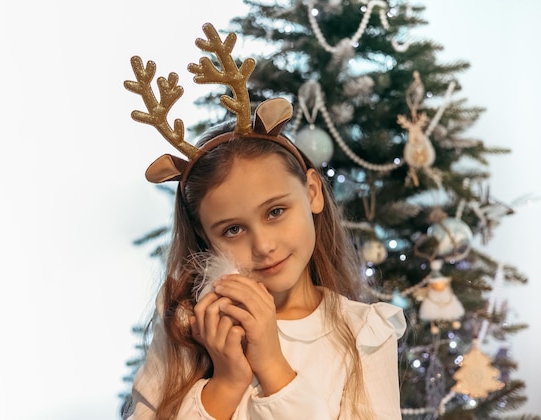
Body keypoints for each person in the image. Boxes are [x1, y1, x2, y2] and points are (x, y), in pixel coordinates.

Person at [122, 23, 406, 420]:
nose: (264, 245)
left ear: (311, 192)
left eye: (275, 212)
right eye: (233, 229)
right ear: (206, 236)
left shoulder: (365, 333)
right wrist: (226, 383)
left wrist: (273, 366)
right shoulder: (188, 326)